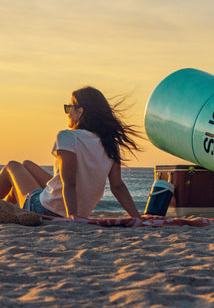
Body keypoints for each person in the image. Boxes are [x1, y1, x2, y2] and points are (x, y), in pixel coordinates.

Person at [0, 86, 143, 221]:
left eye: (69, 108)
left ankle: (7, 211)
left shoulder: (68, 137)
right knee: (26, 165)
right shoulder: (110, 144)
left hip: (45, 209)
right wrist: (137, 217)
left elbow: (69, 182)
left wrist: (72, 216)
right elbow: (118, 187)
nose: (68, 113)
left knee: (11, 166)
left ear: (80, 111)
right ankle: (7, 211)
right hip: (77, 210)